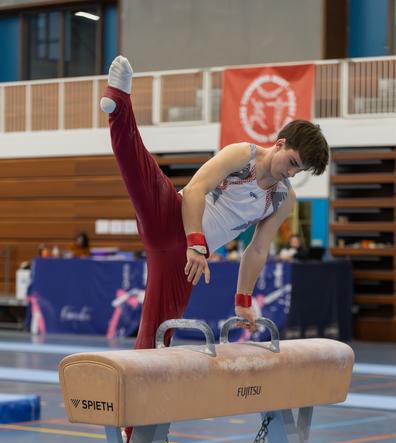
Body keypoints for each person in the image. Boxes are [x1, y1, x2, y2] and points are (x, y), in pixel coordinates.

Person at [100, 56, 329, 349]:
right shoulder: (243, 155)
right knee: (138, 169)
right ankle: (119, 101)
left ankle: (139, 391)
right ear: (280, 143)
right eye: (293, 162)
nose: (292, 172)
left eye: (300, 170)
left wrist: (243, 299)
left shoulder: (283, 199)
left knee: (157, 336)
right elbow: (195, 190)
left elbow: (257, 249)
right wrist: (196, 244)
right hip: (172, 217)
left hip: (183, 263)